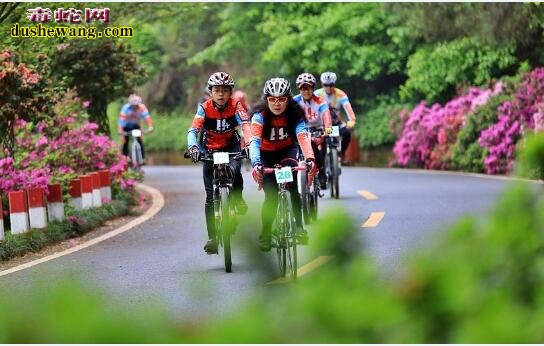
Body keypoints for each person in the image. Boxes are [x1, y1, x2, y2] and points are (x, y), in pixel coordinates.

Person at [249, 77, 318, 251]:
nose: (277, 104)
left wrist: (309, 159)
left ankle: (300, 228)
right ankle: (265, 233)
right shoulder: (259, 116)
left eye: (282, 99)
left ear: (288, 99)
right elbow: (254, 142)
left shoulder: (295, 113)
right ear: (266, 100)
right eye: (272, 99)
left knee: (293, 187)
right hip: (265, 155)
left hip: (287, 151)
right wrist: (256, 163)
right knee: (271, 196)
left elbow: (302, 136)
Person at [187, 72, 251, 255]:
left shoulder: (236, 106)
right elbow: (193, 130)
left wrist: (248, 144)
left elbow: (245, 125)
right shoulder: (204, 108)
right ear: (211, 92)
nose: (221, 94)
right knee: (209, 197)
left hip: (231, 145)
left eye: (225, 90)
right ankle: (213, 238)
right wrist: (192, 147)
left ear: (231, 92)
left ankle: (237, 199)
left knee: (236, 170)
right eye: (217, 90)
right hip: (209, 148)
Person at [294, 72, 333, 190]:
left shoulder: (320, 101)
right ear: (299, 89)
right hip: (300, 130)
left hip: (317, 129)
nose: (306, 91)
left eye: (309, 88)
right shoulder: (294, 101)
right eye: (303, 89)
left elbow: (326, 114)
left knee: (318, 148)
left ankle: (321, 173)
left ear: (313, 88)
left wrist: (328, 127)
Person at [314, 71, 357, 159]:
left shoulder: (340, 94)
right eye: (326, 85)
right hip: (322, 124)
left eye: (331, 85)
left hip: (336, 122)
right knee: (320, 145)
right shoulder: (317, 94)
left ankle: (342, 153)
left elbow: (348, 108)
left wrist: (352, 120)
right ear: (322, 84)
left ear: (334, 84)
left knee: (347, 133)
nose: (329, 87)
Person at [118, 94, 154, 161]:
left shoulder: (142, 107)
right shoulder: (125, 108)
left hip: (136, 126)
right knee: (125, 141)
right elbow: (121, 120)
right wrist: (120, 130)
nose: (135, 107)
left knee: (140, 139)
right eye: (133, 105)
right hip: (126, 126)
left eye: (136, 105)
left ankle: (142, 158)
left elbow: (147, 117)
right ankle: (125, 159)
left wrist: (150, 127)